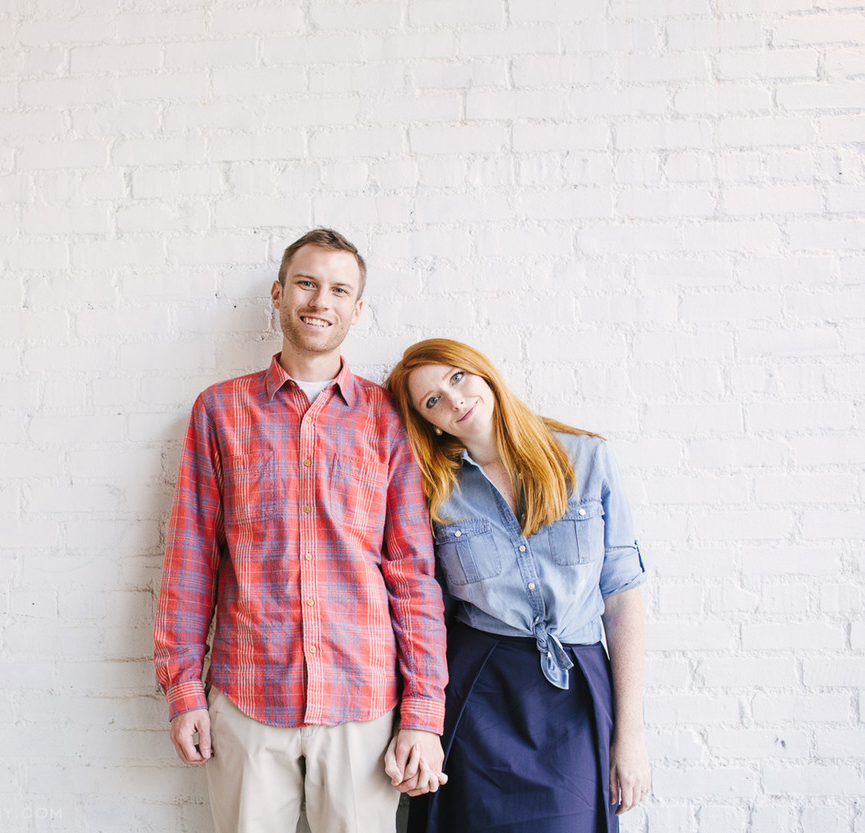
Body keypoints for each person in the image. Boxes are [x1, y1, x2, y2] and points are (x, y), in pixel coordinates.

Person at [150, 228, 449, 832]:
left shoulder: (388, 419)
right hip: (248, 697)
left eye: (339, 289)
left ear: (357, 309)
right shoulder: (219, 411)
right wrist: (183, 690)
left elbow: (412, 575)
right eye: (307, 284)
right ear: (279, 294)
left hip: (362, 703)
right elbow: (190, 561)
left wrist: (423, 711)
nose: (321, 301)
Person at [383, 338, 651, 832]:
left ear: (482, 372)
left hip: (574, 688)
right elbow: (421, 607)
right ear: (427, 422)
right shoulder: (433, 489)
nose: (454, 400)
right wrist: (418, 720)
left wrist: (630, 737)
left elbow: (622, 597)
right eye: (432, 401)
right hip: (478, 691)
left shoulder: (587, 458)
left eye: (456, 378)